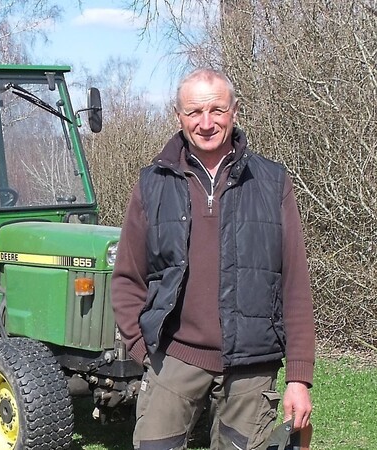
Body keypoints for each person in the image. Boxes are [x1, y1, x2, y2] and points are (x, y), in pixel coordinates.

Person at [110, 68, 315, 450]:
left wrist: (298, 379)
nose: (206, 123)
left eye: (217, 110)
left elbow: (295, 286)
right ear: (178, 117)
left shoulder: (272, 183)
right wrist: (142, 349)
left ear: (234, 111)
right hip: (174, 358)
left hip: (252, 366)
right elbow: (127, 278)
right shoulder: (151, 183)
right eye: (194, 112)